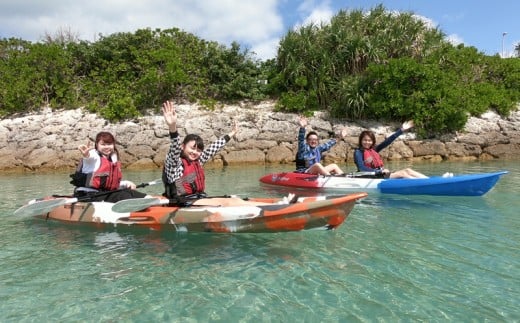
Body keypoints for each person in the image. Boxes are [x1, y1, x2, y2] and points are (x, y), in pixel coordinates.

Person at [161, 101, 284, 206]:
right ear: (183, 147)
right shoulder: (175, 163)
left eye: (198, 150)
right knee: (230, 203)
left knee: (234, 199)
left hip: (196, 199)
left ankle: (276, 204)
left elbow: (213, 148)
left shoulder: (197, 160)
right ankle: (278, 207)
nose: (195, 152)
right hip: (182, 203)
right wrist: (172, 126)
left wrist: (232, 133)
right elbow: (174, 148)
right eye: (192, 148)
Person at [70, 131, 148, 202]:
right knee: (123, 195)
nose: (107, 147)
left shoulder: (112, 158)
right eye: (103, 144)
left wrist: (126, 183)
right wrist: (86, 154)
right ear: (97, 145)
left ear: (113, 145)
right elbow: (88, 157)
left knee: (130, 192)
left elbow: (107, 183)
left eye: (109, 144)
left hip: (103, 193)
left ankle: (150, 199)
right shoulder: (93, 155)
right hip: (87, 194)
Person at [354, 121, 429, 179]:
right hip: (369, 176)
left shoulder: (374, 150)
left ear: (372, 141)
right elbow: (362, 168)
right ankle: (420, 183)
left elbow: (387, 141)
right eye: (365, 140)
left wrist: (401, 130)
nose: (367, 142)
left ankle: (428, 180)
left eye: (369, 140)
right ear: (361, 140)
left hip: (380, 174)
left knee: (408, 170)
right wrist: (379, 171)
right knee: (403, 174)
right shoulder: (358, 152)